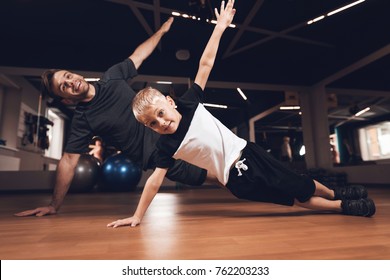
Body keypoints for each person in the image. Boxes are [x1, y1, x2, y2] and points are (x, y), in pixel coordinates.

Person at [107, 0, 375, 228]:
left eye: (161, 114)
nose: (161, 123)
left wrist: (220, 27)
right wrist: (137, 215)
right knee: (294, 198)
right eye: (153, 124)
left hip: (250, 153)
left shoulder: (189, 103)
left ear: (170, 102)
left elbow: (205, 63)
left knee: (300, 184)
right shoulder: (166, 147)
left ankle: (334, 192)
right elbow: (154, 181)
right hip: (236, 180)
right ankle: (343, 206)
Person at [15, 17, 211, 217]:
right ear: (65, 100)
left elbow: (139, 55)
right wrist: (53, 205)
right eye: (63, 86)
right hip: (157, 156)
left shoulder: (112, 77)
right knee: (211, 177)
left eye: (68, 76)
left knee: (222, 165)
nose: (70, 82)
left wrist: (161, 32)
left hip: (177, 133)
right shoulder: (83, 119)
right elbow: (68, 161)